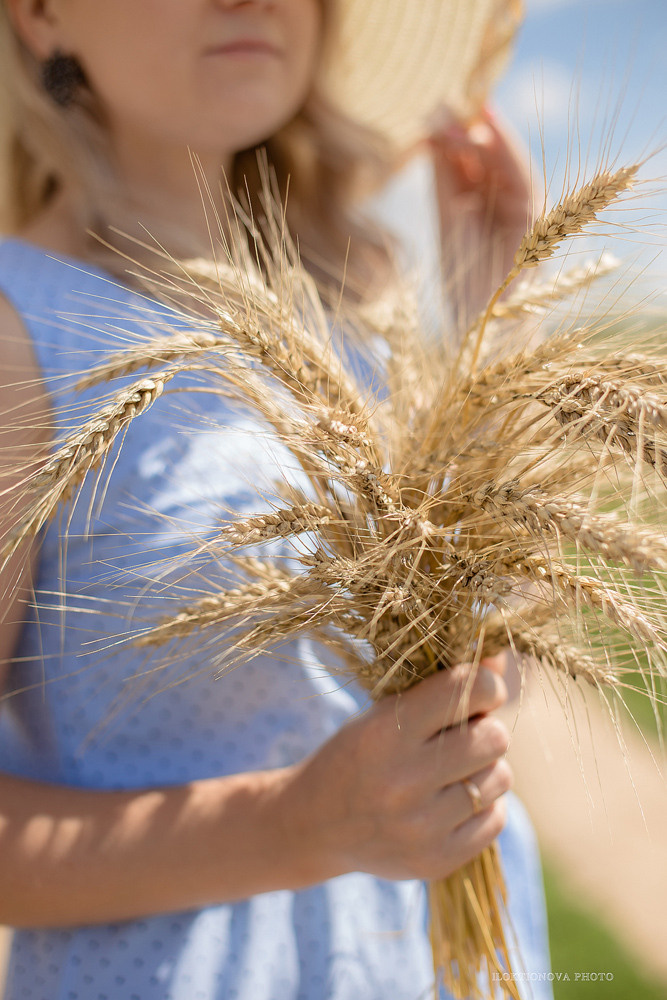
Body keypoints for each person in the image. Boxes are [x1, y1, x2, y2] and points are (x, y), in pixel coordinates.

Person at [0, 1, 552, 998]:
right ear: (40, 17)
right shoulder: (18, 329)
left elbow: (487, 688)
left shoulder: (363, 290)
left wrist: (493, 319)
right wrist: (299, 826)